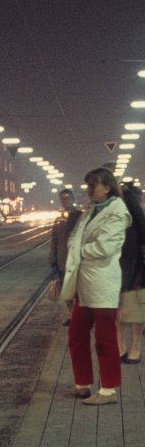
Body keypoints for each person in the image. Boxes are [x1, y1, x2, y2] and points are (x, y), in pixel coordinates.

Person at [60, 167, 131, 405]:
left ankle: (109, 390)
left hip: (102, 283)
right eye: (88, 185)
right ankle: (83, 384)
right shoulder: (90, 211)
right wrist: (78, 249)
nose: (89, 190)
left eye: (93, 185)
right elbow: (74, 238)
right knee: (76, 334)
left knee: (105, 338)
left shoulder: (117, 212)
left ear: (107, 187)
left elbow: (105, 248)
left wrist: (79, 252)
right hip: (84, 283)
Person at [117, 183, 145, 364]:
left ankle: (130, 346)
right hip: (120, 264)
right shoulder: (120, 218)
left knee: (131, 307)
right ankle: (128, 346)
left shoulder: (141, 219)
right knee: (121, 307)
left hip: (137, 265)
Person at [49, 188, 82, 325]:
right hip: (62, 260)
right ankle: (71, 315)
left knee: (78, 289)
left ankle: (80, 316)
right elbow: (54, 240)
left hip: (77, 259)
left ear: (73, 199)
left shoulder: (81, 216)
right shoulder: (59, 219)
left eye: (68, 197)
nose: (65, 200)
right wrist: (52, 260)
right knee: (66, 289)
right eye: (63, 198)